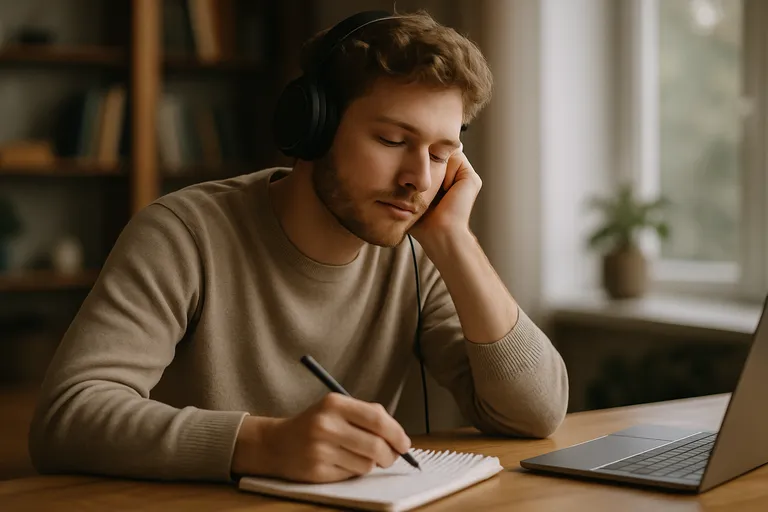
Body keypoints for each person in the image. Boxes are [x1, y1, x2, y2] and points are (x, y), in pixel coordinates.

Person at [28, 9, 568, 485]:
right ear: (314, 127)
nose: (417, 180)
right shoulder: (183, 233)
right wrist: (262, 444)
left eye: (438, 153)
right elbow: (68, 416)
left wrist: (455, 241)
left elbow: (536, 415)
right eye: (392, 141)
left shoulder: (417, 247)